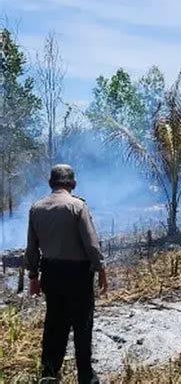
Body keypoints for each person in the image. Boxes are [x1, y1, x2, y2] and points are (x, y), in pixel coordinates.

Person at [25, 164, 108, 384]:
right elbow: (91, 243)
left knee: (54, 324)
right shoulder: (78, 206)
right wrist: (100, 268)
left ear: (51, 183)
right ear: (72, 184)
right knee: (82, 325)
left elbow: (32, 248)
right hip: (78, 274)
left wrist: (33, 276)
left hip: (50, 272)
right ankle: (86, 377)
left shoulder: (36, 208)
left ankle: (49, 374)